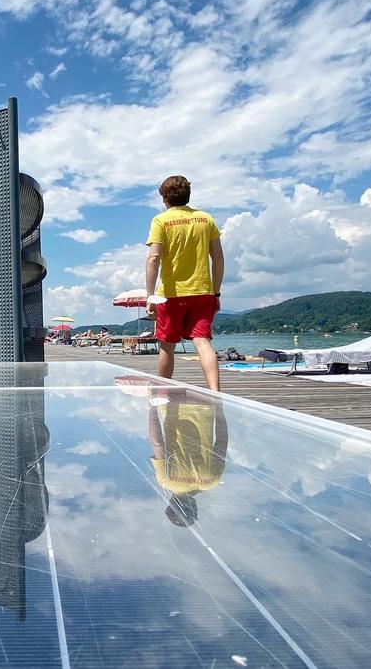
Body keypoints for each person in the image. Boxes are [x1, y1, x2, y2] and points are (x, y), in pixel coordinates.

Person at [145, 175, 224, 391]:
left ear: (165, 198)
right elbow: (217, 257)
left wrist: (150, 294)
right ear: (188, 195)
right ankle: (215, 392)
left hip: (171, 294)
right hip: (202, 291)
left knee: (167, 346)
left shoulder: (161, 221)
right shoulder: (205, 219)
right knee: (202, 341)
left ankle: (162, 392)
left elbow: (154, 258)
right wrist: (216, 293)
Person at [147, 391, 228, 527]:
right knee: (166, 371)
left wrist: (219, 407)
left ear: (194, 507)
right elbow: (158, 444)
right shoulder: (166, 480)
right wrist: (152, 407)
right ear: (171, 503)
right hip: (172, 403)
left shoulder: (211, 482)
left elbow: (222, 440)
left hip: (205, 404)